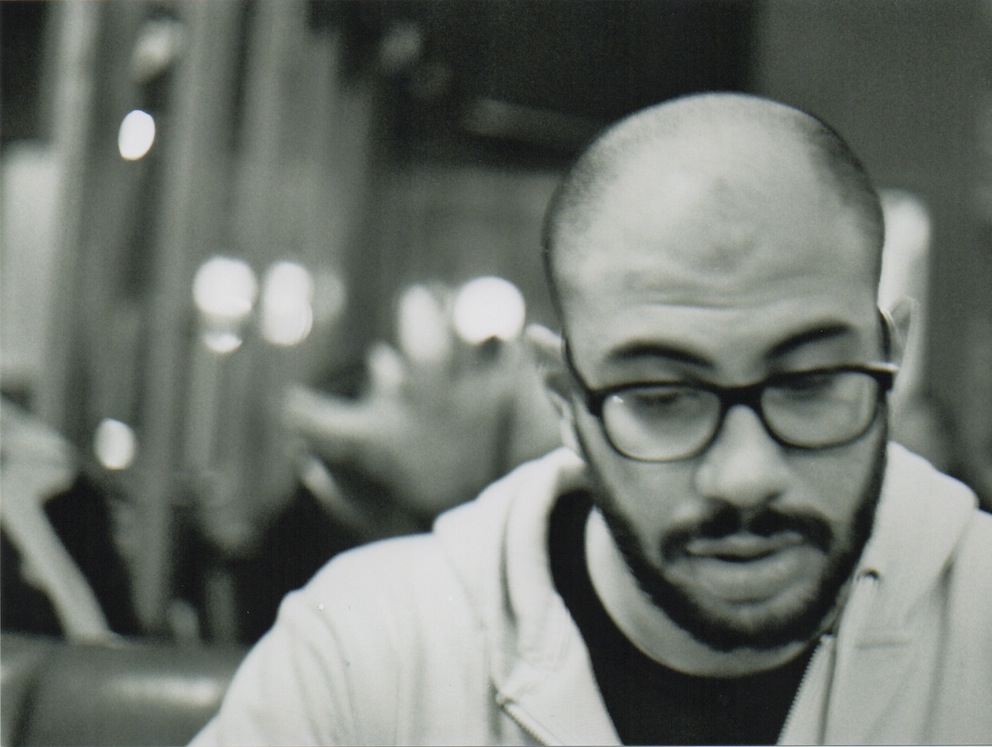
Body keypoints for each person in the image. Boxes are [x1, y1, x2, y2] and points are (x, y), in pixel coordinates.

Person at [191, 93, 992, 745]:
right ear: (566, 394)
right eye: (663, 397)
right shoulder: (375, 652)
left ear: (890, 360)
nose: (746, 474)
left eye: (809, 382)